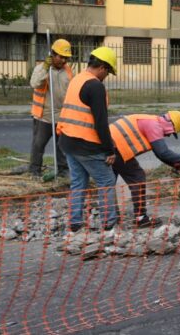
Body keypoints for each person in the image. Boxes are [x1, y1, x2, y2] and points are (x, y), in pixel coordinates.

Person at [57, 47, 119, 233]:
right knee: (106, 181)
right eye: (108, 71)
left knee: (78, 182)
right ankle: (109, 223)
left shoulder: (77, 78)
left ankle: (75, 222)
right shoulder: (95, 85)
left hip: (68, 140)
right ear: (102, 67)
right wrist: (109, 150)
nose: (106, 76)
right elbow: (100, 122)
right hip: (86, 144)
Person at [110, 111, 180, 228]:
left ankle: (110, 216)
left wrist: (175, 164)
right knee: (137, 177)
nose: (169, 136)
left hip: (109, 145)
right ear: (171, 125)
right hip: (117, 147)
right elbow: (163, 153)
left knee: (109, 181)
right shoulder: (154, 125)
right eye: (172, 133)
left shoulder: (151, 120)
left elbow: (161, 155)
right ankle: (141, 218)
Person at [28, 39, 73, 180]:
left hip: (62, 116)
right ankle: (34, 171)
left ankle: (63, 169)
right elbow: (34, 83)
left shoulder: (68, 71)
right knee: (38, 144)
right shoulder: (42, 68)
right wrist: (45, 68)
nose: (63, 60)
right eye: (60, 56)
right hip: (44, 115)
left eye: (66, 57)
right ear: (52, 54)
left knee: (62, 146)